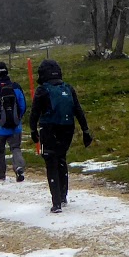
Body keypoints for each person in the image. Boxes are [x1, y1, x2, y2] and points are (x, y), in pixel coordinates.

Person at [28, 59, 91, 213]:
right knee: (61, 158)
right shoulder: (68, 88)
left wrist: (33, 131)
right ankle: (63, 196)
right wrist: (85, 130)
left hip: (49, 129)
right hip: (67, 128)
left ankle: (56, 203)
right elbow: (78, 110)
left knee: (51, 161)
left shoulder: (42, 90)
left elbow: (34, 113)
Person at [0, 60, 27, 182]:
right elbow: (22, 105)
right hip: (15, 126)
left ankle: (1, 173)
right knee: (15, 147)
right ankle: (19, 167)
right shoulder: (15, 87)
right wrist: (18, 117)